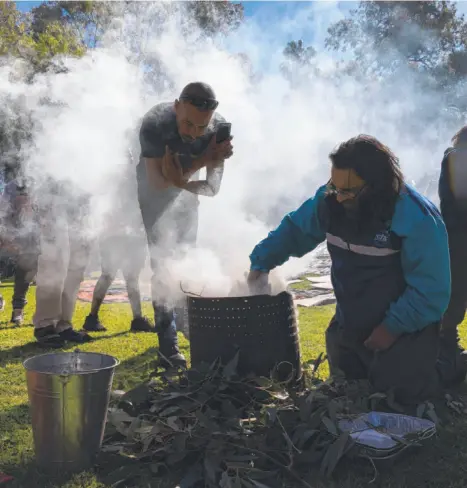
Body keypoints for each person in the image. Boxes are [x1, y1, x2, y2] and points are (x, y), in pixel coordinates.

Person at [248, 135, 450, 405]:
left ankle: (449, 364)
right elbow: (295, 230)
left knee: (397, 400)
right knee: (346, 396)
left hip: (403, 329)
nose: (339, 197)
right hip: (350, 322)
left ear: (376, 185)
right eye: (335, 186)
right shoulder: (330, 198)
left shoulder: (418, 218)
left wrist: (391, 329)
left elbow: (431, 292)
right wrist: (261, 262)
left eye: (349, 191)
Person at [138, 82, 233, 367]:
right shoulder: (155, 122)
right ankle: (168, 347)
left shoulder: (220, 130)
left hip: (187, 196)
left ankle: (186, 324)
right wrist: (201, 161)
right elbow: (157, 183)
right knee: (163, 266)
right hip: (153, 198)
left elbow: (212, 188)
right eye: (187, 124)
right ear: (176, 105)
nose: (193, 133)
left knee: (186, 262)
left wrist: (182, 181)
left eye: (200, 128)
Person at [83, 151, 152, 333]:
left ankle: (137, 319)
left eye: (129, 159)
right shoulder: (112, 183)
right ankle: (92, 318)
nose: (128, 162)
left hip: (130, 235)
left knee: (130, 278)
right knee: (108, 275)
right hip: (115, 235)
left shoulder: (135, 181)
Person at [33, 179, 93, 348]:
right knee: (53, 266)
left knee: (75, 270)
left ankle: (64, 324)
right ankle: (45, 325)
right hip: (53, 200)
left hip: (79, 205)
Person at [438, 126, 467, 385]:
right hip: (459, 239)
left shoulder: (452, 158)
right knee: (455, 299)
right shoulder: (455, 159)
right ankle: (449, 357)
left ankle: (449, 353)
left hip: (456, 240)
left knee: (455, 298)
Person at [0, 177, 39, 325]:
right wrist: (6, 240)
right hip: (6, 239)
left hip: (28, 244)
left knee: (23, 276)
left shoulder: (34, 207)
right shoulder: (6, 201)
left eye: (27, 197)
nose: (24, 200)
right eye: (20, 197)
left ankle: (18, 311)